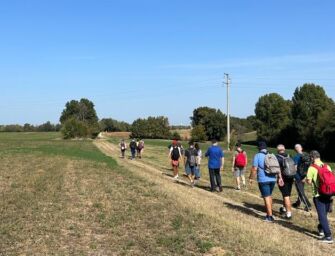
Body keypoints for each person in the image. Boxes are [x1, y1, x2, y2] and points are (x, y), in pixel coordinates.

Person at [306, 150, 334, 243]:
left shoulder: (311, 168)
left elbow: (309, 182)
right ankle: (321, 229)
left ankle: (328, 236)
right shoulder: (327, 166)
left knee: (322, 216)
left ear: (312, 158)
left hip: (318, 195)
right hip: (329, 193)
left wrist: (307, 179)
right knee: (324, 214)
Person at [249, 142, 277, 222]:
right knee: (269, 196)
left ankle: (269, 216)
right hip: (273, 179)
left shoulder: (257, 155)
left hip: (263, 179)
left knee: (266, 197)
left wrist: (251, 178)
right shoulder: (272, 155)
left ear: (259, 148)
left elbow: (254, 168)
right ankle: (270, 212)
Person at [275, 144, 294, 219]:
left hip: (283, 178)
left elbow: (278, 169)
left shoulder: (277, 157)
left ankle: (288, 213)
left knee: (286, 196)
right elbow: (294, 166)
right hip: (291, 177)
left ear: (277, 150)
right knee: (287, 194)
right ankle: (283, 208)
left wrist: (279, 178)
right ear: (284, 149)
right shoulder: (289, 156)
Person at [293, 144, 312, 211]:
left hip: (298, 176)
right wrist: (306, 176)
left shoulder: (296, 157)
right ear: (302, 148)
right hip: (304, 176)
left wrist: (293, 176)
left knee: (301, 191)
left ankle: (308, 205)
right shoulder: (306, 156)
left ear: (295, 150)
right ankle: (298, 203)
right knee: (301, 190)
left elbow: (294, 168)